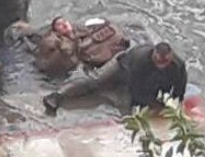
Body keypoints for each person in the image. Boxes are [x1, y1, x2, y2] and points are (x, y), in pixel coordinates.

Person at [44, 42, 187, 113]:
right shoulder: (140, 58)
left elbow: (179, 87)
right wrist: (151, 104)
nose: (161, 65)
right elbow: (135, 89)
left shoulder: (178, 65)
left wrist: (175, 104)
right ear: (153, 54)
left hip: (147, 78)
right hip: (122, 67)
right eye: (158, 61)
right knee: (95, 81)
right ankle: (58, 95)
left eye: (165, 62)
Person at [13, 17, 131, 77]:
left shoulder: (82, 30)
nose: (64, 24)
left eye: (64, 21)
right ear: (56, 31)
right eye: (59, 24)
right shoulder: (55, 42)